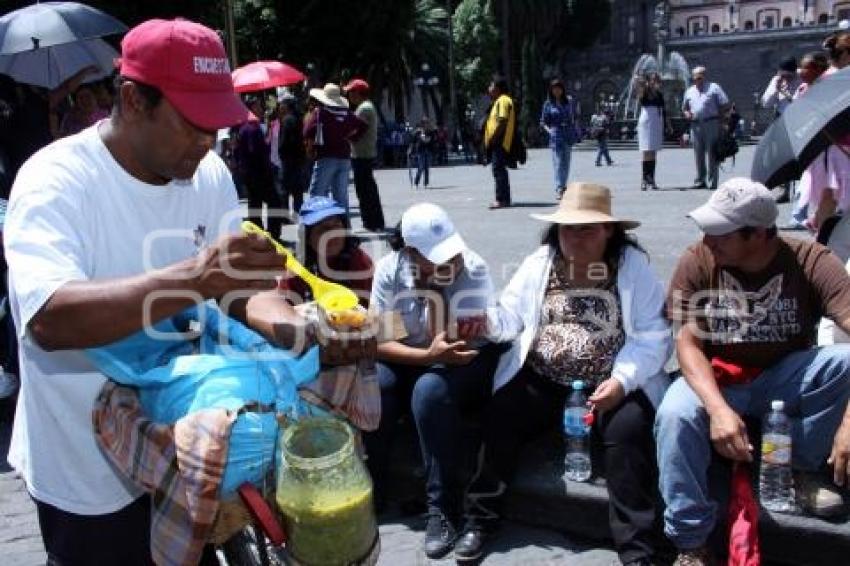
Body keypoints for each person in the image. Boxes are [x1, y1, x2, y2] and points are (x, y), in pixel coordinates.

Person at [2, 19, 363, 565]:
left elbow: (237, 293)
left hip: (192, 439)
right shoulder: (55, 181)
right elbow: (50, 318)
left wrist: (300, 331)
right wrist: (197, 277)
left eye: (218, 124)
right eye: (195, 123)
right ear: (133, 99)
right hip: (85, 465)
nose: (209, 140)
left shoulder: (208, 174)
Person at [453, 183, 672, 565]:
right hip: (544, 378)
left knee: (629, 431)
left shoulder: (632, 267)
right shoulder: (541, 261)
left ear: (609, 231)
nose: (574, 236)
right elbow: (511, 317)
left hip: (610, 382)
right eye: (567, 228)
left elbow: (654, 338)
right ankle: (479, 520)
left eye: (586, 228)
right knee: (501, 413)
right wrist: (485, 322)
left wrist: (622, 382)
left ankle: (637, 550)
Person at [658, 178, 850, 566]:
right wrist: (717, 410)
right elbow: (687, 344)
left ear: (759, 234)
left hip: (782, 374)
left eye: (721, 234)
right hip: (718, 375)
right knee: (674, 414)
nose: (708, 241)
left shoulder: (811, 261)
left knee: (843, 361)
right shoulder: (698, 260)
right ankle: (690, 540)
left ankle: (799, 466)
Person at [365, 203, 503, 559]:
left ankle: (444, 508)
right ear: (409, 253)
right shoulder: (390, 271)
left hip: (464, 356)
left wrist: (440, 297)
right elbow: (382, 341)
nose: (449, 261)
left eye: (450, 252)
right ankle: (374, 488)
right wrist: (426, 356)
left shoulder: (471, 268)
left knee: (429, 391)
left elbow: (457, 340)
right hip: (417, 354)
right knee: (376, 385)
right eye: (434, 258)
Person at [278, 195, 373, 305]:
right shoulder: (297, 268)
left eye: (336, 226)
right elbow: (284, 308)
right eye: (323, 229)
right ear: (307, 238)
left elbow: (372, 306)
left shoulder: (358, 261)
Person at [303, 83, 367, 218]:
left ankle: (315, 228)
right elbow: (363, 126)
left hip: (326, 157)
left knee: (317, 194)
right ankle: (345, 232)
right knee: (341, 198)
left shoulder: (320, 112)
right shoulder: (346, 113)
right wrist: (351, 138)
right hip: (344, 158)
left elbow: (307, 131)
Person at [234, 95, 284, 238]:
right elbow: (254, 151)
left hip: (249, 173)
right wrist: (267, 147)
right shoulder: (251, 128)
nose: (261, 109)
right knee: (274, 202)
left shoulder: (244, 126)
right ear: (251, 108)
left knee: (255, 203)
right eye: (258, 106)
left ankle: (257, 233)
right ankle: (272, 234)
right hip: (259, 173)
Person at [344, 78, 386, 232]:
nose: (349, 95)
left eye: (351, 92)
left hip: (362, 154)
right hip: (364, 153)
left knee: (365, 190)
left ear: (358, 93)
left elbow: (356, 132)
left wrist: (343, 135)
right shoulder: (366, 107)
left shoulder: (364, 108)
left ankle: (372, 222)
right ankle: (372, 221)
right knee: (367, 188)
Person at [682, 66, 729, 191]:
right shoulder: (689, 91)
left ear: (704, 75)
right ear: (693, 78)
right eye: (696, 77)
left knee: (712, 153)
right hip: (695, 124)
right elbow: (685, 108)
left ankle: (712, 181)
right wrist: (687, 113)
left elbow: (724, 104)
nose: (698, 79)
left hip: (711, 123)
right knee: (698, 154)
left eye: (700, 76)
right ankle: (700, 180)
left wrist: (722, 121)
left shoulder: (714, 87)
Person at [539, 78, 579, 198]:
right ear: (551, 90)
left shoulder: (569, 101)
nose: (557, 91)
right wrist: (549, 131)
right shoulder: (548, 104)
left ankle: (563, 185)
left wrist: (576, 130)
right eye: (554, 89)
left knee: (566, 161)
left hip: (568, 132)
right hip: (556, 133)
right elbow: (543, 121)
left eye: (559, 88)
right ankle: (559, 188)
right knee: (558, 162)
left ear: (562, 89)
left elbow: (575, 117)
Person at [634, 72, 672, 191]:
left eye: (658, 80)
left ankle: (652, 178)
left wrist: (668, 124)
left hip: (657, 120)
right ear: (650, 81)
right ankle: (644, 179)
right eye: (654, 80)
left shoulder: (659, 94)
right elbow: (639, 91)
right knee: (646, 150)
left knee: (653, 151)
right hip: (646, 119)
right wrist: (640, 81)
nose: (657, 83)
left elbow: (664, 110)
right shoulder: (645, 91)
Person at [483, 75, 516, 209]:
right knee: (499, 169)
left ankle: (502, 199)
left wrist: (494, 137)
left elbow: (502, 120)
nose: (489, 89)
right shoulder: (499, 100)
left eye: (491, 86)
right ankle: (504, 198)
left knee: (498, 169)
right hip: (499, 141)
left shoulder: (503, 100)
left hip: (500, 141)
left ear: (498, 88)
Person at [278, 93, 306, 219]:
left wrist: (280, 152)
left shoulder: (287, 120)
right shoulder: (299, 118)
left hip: (288, 158)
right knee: (297, 189)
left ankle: (284, 215)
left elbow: (283, 141)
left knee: (284, 188)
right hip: (299, 157)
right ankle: (297, 212)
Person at [411, 116, 437, 189]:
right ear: (422, 123)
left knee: (427, 168)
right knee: (421, 167)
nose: (426, 124)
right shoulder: (418, 131)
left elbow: (429, 140)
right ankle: (416, 183)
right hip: (421, 151)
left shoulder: (430, 131)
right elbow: (414, 139)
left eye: (427, 122)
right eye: (424, 122)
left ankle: (426, 183)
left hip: (428, 150)